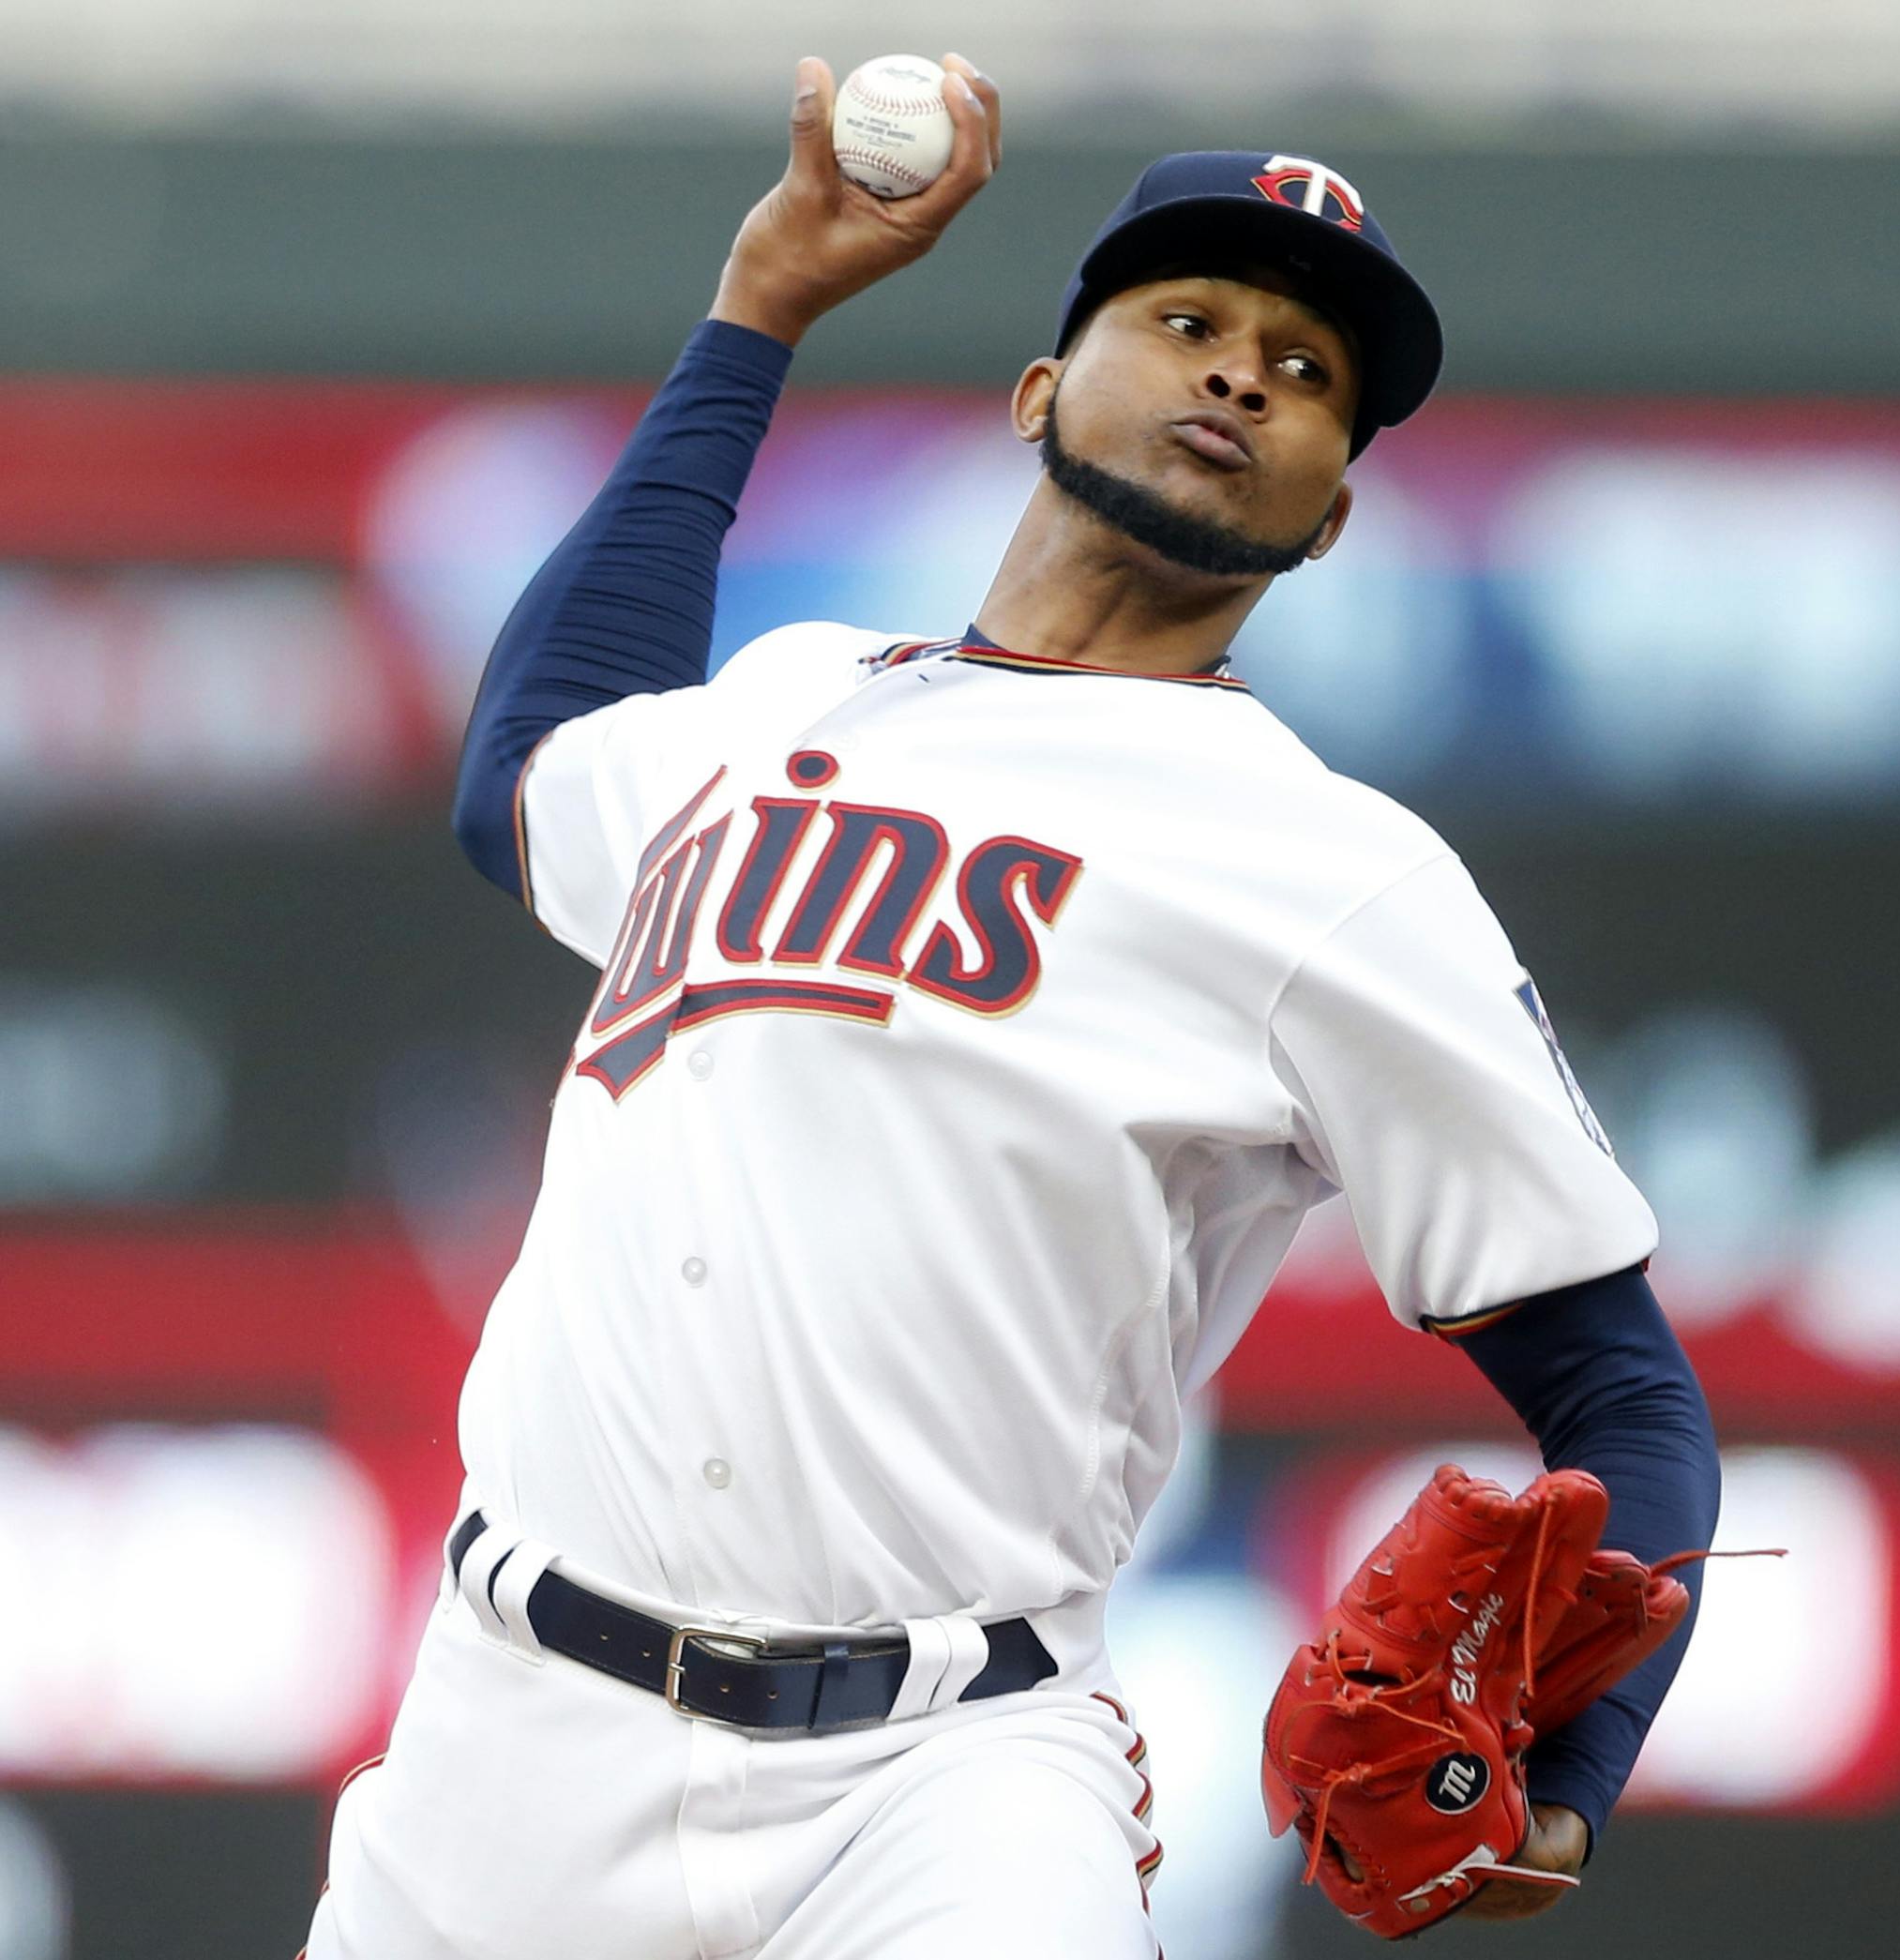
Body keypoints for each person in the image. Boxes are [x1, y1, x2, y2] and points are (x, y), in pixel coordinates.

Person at [301, 51, 1720, 1960]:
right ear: (1045, 392)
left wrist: (1580, 1763)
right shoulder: (790, 697)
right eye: (1193, 321)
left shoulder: (1336, 876)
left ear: (1328, 522)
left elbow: (1624, 1392)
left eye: (1309, 376)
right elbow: (528, 770)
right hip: (506, 1737)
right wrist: (760, 311)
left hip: (942, 1783)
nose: (1242, 374)